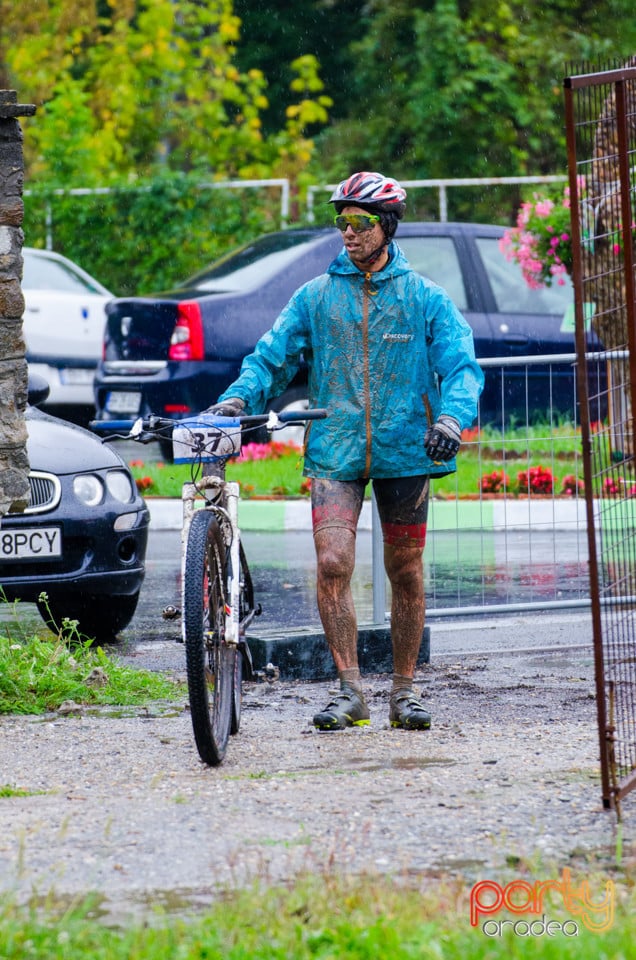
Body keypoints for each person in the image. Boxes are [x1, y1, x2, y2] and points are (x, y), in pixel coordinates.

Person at [207, 171, 484, 732]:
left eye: (359, 223)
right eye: (341, 223)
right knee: (333, 565)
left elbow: (462, 368)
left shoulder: (424, 298)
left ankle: (404, 692)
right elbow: (270, 359)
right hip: (335, 451)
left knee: (404, 568)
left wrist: (452, 420)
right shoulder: (315, 297)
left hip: (409, 448)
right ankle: (349, 689)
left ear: (386, 227)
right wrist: (236, 400)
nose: (348, 233)